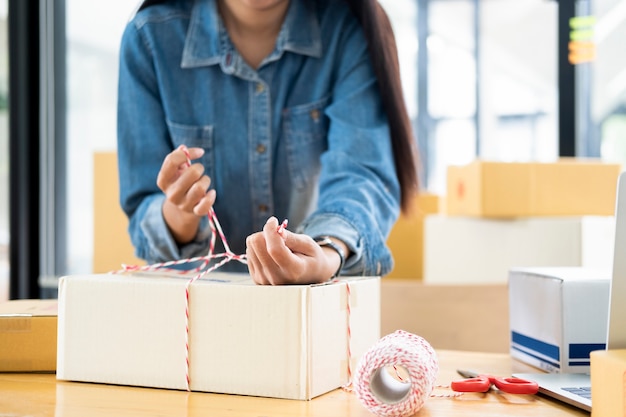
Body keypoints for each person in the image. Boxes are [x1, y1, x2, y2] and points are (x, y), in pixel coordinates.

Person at [117, 0, 419, 285]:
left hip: (312, 308)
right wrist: (179, 215)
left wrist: (326, 254)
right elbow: (143, 205)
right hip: (193, 311)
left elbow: (360, 175)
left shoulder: (347, 31)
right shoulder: (149, 39)